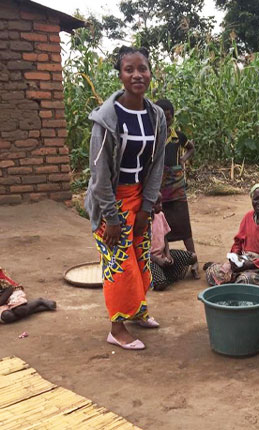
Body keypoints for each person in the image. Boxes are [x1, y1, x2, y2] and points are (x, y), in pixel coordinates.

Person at [84, 46, 167, 350]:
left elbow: (156, 163)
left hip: (139, 198)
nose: (137, 75)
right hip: (111, 201)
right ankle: (116, 328)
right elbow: (99, 174)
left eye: (142, 68)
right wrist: (111, 217)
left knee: (142, 258)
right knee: (120, 266)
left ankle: (138, 311)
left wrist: (147, 206)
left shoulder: (155, 115)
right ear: (120, 75)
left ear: (150, 72)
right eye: (129, 69)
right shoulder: (107, 118)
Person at [204, 183, 259, 286]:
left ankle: (237, 280)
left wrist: (252, 264)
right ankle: (231, 276)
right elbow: (238, 242)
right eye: (256, 199)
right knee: (214, 272)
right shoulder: (248, 216)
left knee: (245, 280)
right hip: (245, 260)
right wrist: (234, 257)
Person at [155, 99, 199, 279]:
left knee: (184, 224)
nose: (166, 121)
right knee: (160, 224)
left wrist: (183, 160)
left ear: (173, 117)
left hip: (177, 188)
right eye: (162, 117)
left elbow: (191, 148)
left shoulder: (178, 136)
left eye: (169, 117)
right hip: (158, 188)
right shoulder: (153, 138)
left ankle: (194, 261)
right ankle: (165, 258)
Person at [151, 193, 198, 290]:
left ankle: (163, 272)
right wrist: (157, 260)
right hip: (151, 261)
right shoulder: (144, 222)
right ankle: (160, 275)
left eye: (161, 203)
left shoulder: (160, 215)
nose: (160, 206)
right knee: (161, 284)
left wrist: (168, 255)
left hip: (163, 255)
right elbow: (141, 252)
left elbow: (165, 237)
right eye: (157, 203)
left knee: (193, 257)